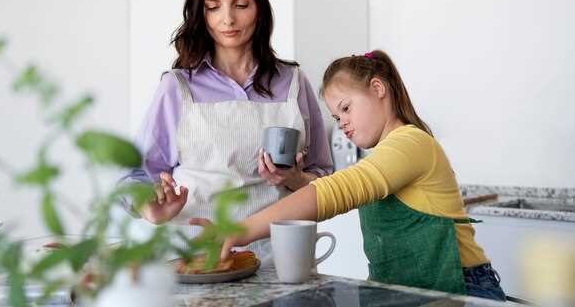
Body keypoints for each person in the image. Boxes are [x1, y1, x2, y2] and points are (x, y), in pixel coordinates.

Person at [216, 50, 507, 301]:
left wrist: (239, 231)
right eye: (336, 117)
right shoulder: (388, 152)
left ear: (378, 88)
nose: (342, 123)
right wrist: (294, 179)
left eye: (346, 108)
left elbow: (341, 190)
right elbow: (335, 185)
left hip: (461, 288)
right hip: (414, 292)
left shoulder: (411, 143)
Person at [121, 0, 333, 264]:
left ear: (259, 9)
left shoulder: (293, 83)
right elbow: (133, 175)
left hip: (280, 258)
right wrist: (149, 207)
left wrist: (294, 179)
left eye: (241, 5)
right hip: (197, 256)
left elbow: (326, 182)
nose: (228, 19)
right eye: (213, 7)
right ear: (200, 14)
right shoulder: (177, 86)